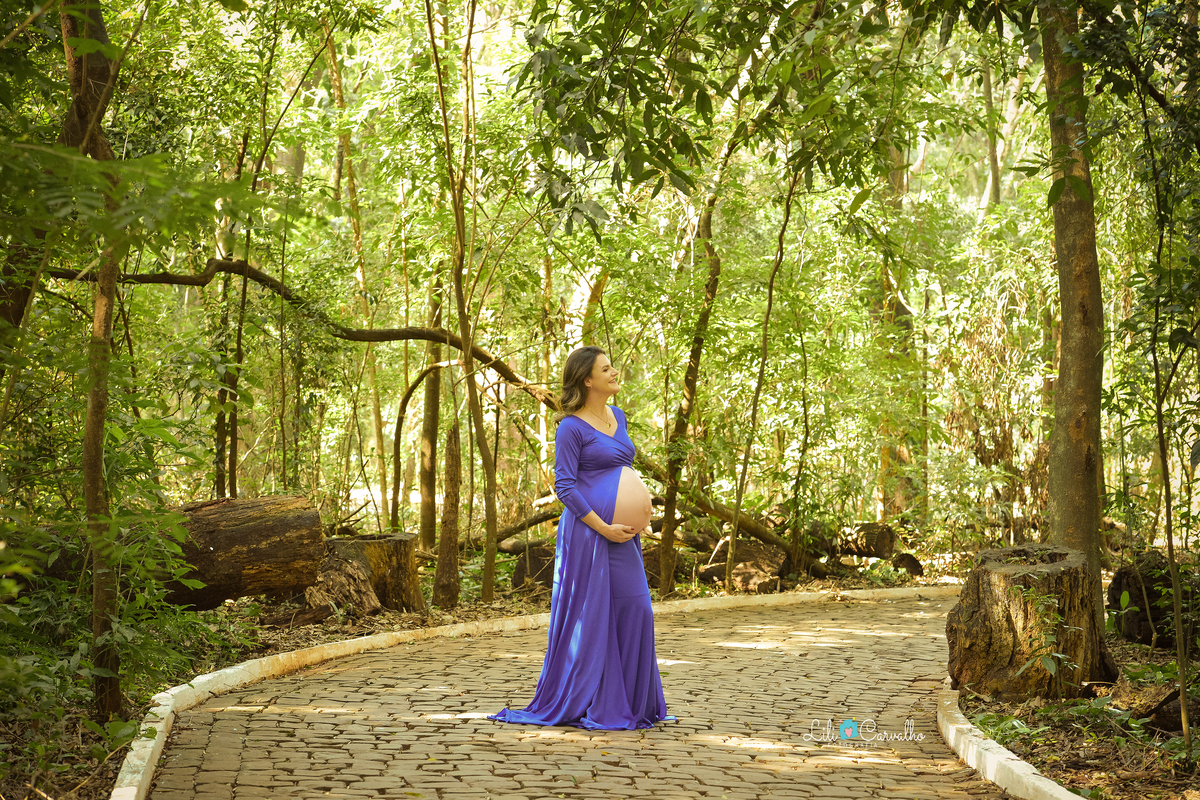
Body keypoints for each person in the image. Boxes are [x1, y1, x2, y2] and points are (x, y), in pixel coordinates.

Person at [490, 346, 672, 730]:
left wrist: (637, 512)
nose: (614, 372)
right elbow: (565, 486)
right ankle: (597, 702)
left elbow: (620, 473)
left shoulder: (618, 416)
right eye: (606, 369)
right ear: (587, 380)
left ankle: (633, 703)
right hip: (590, 535)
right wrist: (604, 526)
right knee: (594, 617)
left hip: (623, 535)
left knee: (636, 609)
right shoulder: (570, 427)